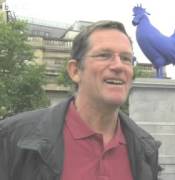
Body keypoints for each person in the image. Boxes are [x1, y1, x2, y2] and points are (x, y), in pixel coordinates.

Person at [0, 20, 160, 180]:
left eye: (126, 58)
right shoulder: (13, 137)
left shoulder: (146, 149)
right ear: (75, 70)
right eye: (104, 55)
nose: (119, 66)